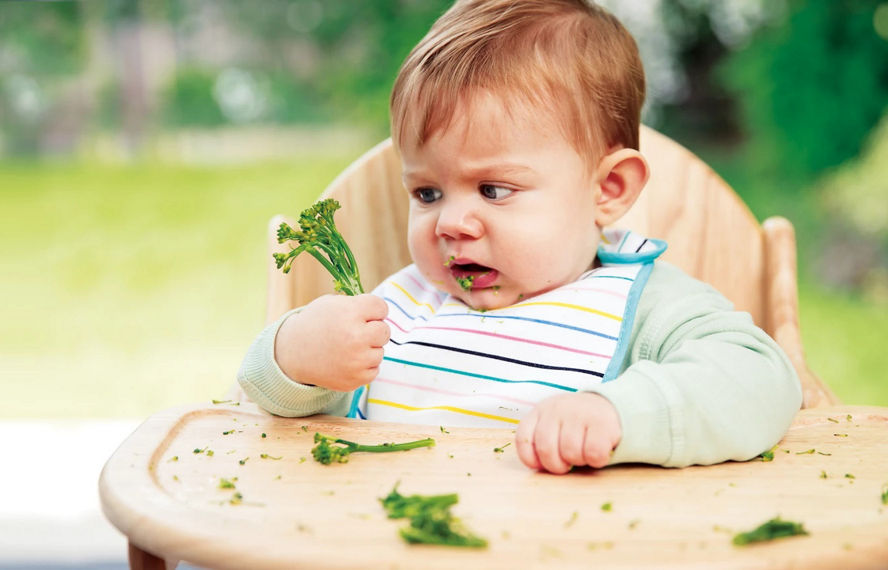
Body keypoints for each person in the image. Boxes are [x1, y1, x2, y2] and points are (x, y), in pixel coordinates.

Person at [237, 0, 802, 474]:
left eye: (493, 190)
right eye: (427, 193)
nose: (450, 223)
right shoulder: (399, 311)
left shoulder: (644, 306)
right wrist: (297, 357)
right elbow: (267, 402)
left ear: (607, 188)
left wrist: (618, 414)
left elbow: (761, 381)